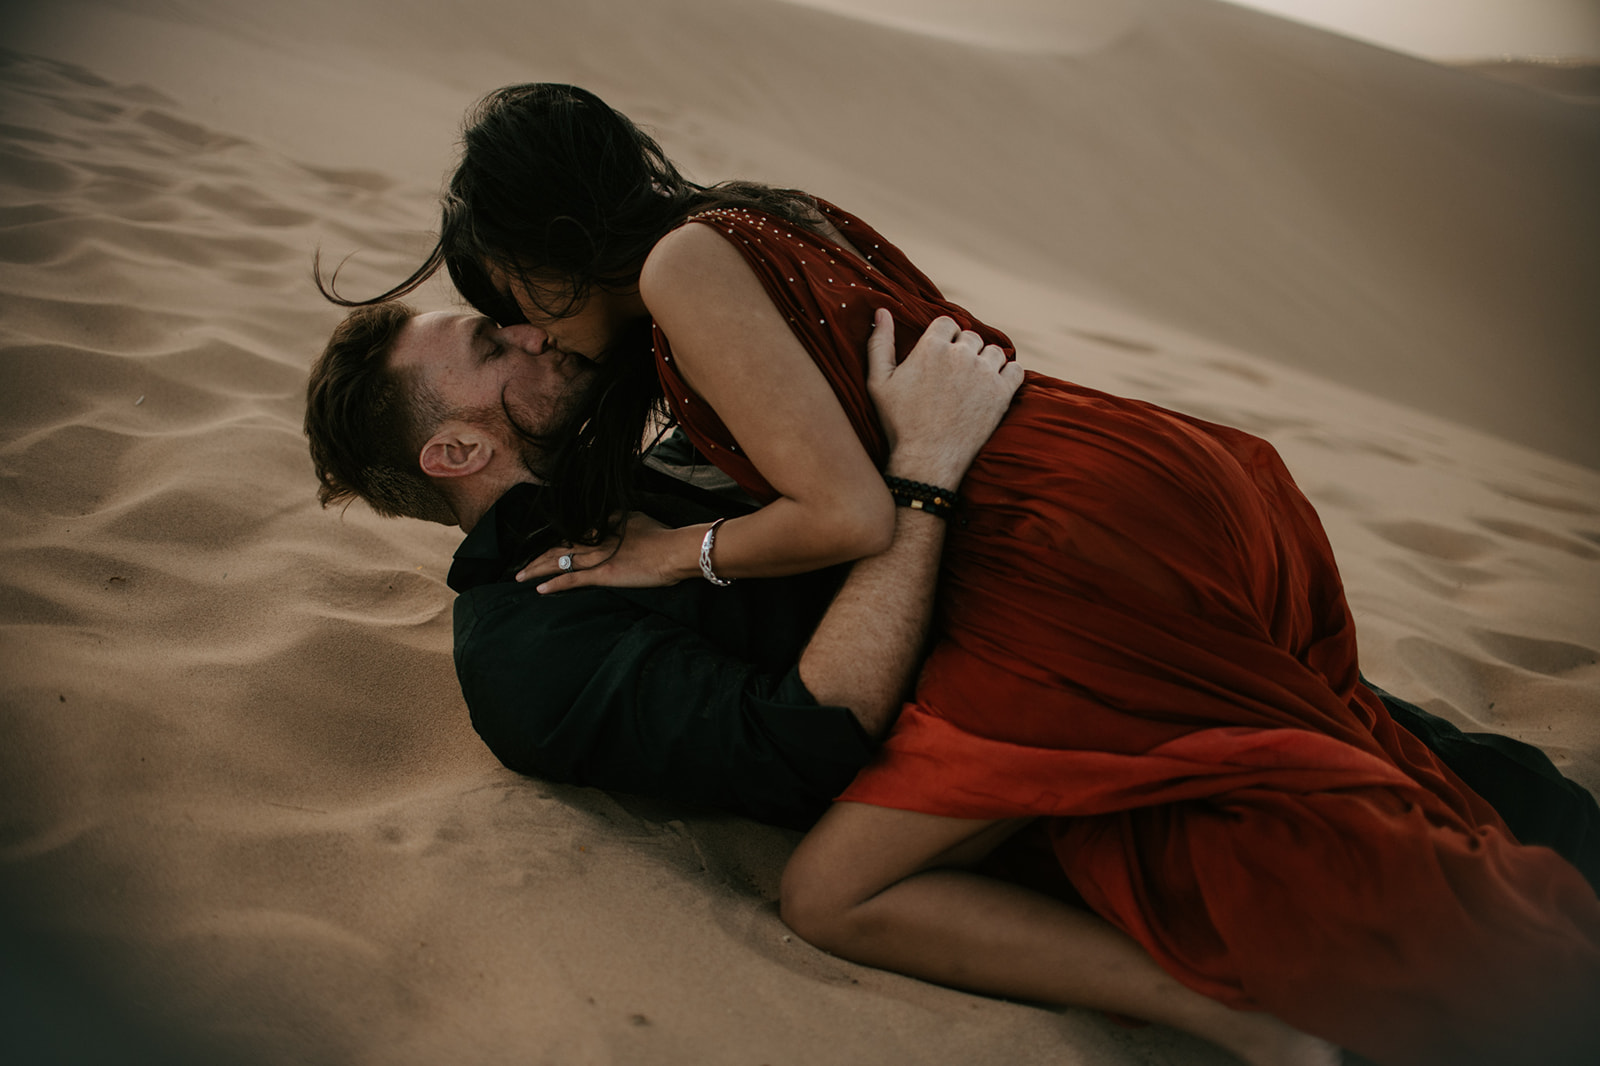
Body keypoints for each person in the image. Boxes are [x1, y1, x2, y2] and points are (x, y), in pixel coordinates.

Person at [308, 84, 1600, 1065]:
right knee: (1373, 757)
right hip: (1133, 489)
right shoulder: (539, 627)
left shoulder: (676, 283)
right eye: (494, 334)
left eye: (510, 299)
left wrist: (688, 546)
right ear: (459, 444)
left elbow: (853, 499)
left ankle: (1314, 1011)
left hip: (1057, 543)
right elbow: (796, 732)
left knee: (837, 891)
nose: (527, 326)